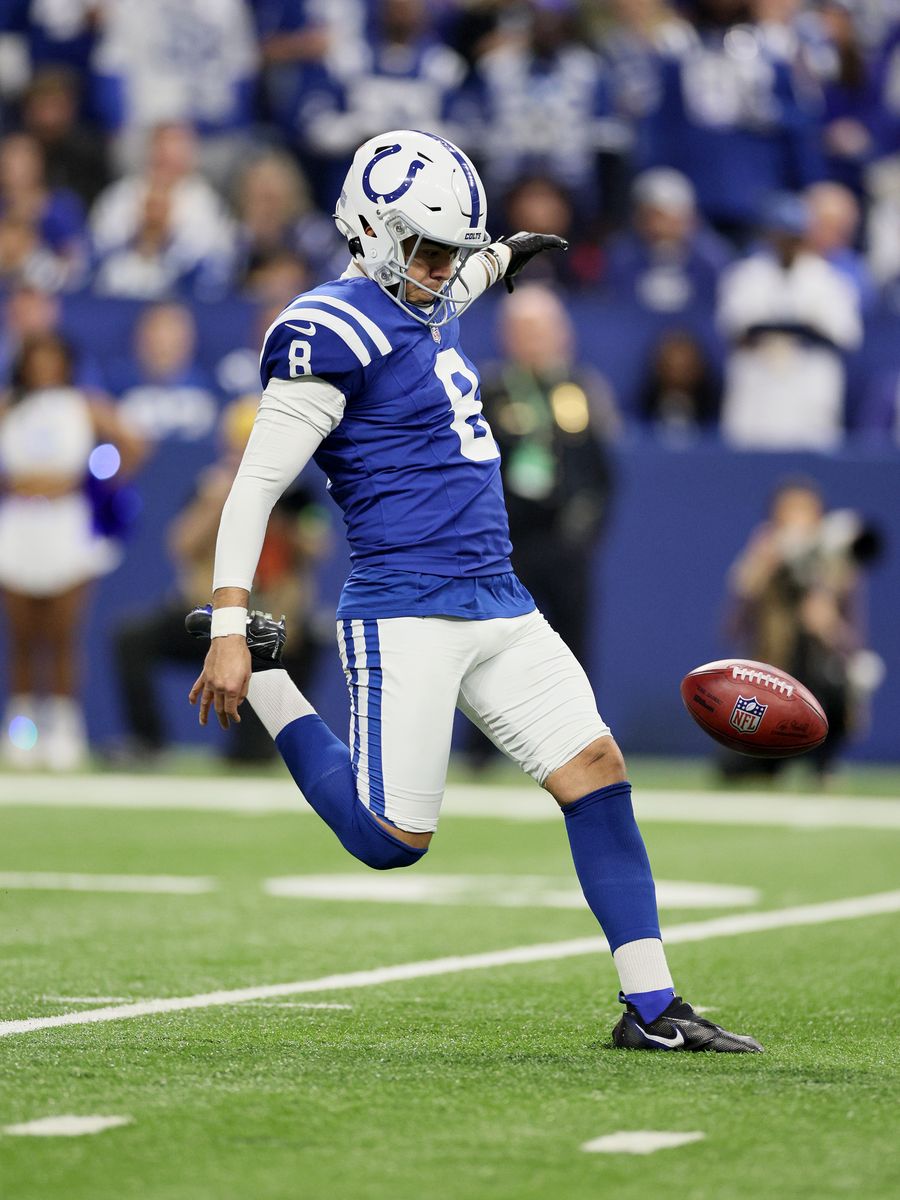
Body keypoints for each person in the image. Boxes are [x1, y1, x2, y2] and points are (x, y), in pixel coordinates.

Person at [187, 128, 762, 1053]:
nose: (441, 268)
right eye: (425, 247)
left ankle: (652, 1007)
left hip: (498, 593)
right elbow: (255, 485)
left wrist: (501, 255)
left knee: (598, 772)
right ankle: (267, 679)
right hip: (405, 603)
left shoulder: (430, 287)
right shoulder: (324, 331)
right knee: (388, 840)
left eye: (453, 250)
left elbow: (458, 279)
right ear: (368, 233)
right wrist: (225, 624)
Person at [113, 396, 328, 764]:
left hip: (268, 624)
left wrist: (278, 511)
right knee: (131, 638)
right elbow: (180, 544)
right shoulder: (209, 488)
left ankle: (269, 746)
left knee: (312, 639)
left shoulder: (297, 493)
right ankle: (149, 740)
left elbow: (317, 548)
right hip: (211, 620)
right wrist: (219, 503)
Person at [0, 331, 143, 769]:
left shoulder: (84, 404)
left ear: (65, 363)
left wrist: (95, 485)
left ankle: (64, 730)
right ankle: (23, 731)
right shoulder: (10, 404)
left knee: (62, 632)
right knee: (22, 635)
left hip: (68, 526)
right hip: (19, 525)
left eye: (52, 358)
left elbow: (133, 444)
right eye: (36, 358)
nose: (44, 368)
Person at [717, 192, 862, 449]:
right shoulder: (745, 276)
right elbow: (733, 329)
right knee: (747, 460)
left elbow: (846, 336)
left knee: (812, 454)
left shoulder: (829, 280)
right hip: (758, 382)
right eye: (780, 234)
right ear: (768, 235)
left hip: (807, 380)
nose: (786, 242)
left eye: (793, 236)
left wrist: (801, 330)